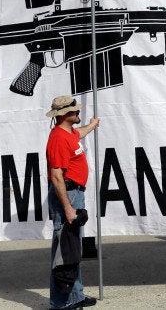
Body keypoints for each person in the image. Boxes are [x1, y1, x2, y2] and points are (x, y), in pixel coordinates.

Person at [45, 95, 99, 309]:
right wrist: (68, 207)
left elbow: (80, 134)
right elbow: (57, 176)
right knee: (63, 249)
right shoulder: (58, 138)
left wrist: (92, 125)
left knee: (72, 247)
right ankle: (60, 303)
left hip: (75, 192)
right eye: (75, 111)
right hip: (68, 193)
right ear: (64, 115)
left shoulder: (69, 133)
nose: (78, 113)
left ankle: (74, 295)